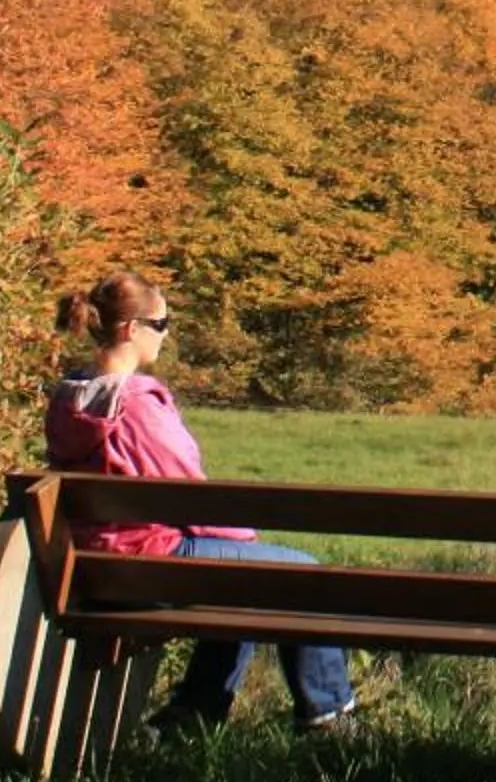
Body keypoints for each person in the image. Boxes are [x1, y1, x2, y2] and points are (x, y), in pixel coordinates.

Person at [45, 271, 358, 737]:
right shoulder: (138, 405)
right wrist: (242, 538)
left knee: (244, 584)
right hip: (152, 559)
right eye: (161, 322)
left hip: (94, 565)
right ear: (131, 330)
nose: (167, 333)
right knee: (304, 575)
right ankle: (328, 717)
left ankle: (192, 715)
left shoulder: (70, 398)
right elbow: (190, 494)